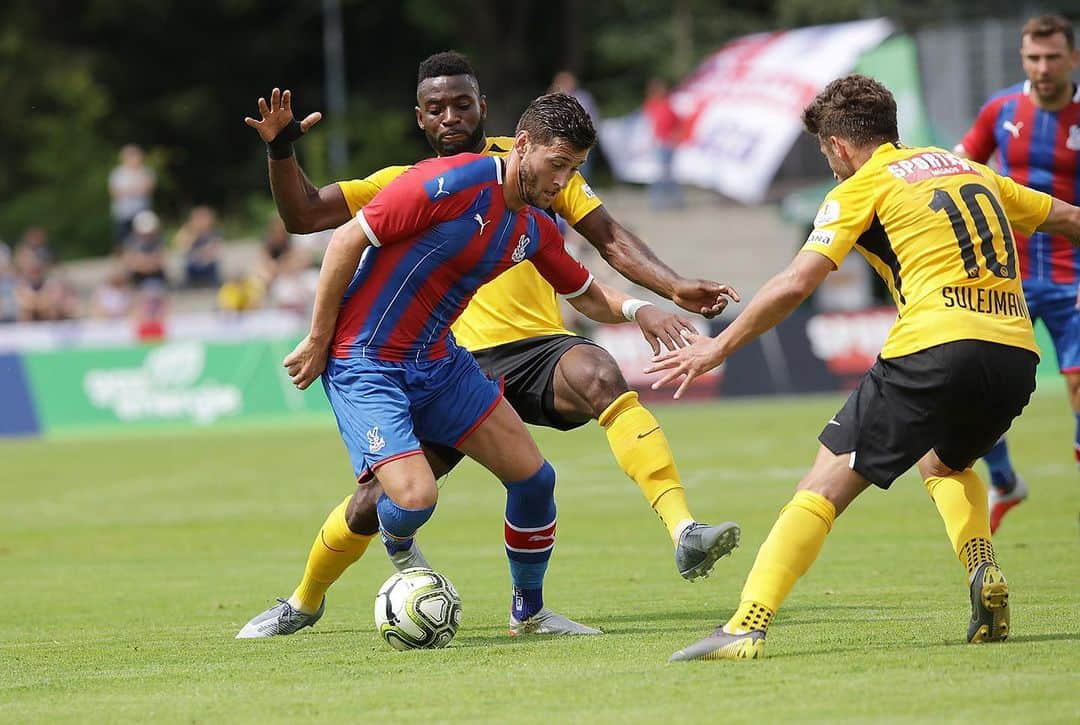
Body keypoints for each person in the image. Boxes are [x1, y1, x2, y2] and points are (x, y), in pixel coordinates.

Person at [236, 52, 741, 637]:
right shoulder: (434, 180)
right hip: (369, 359)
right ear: (522, 146)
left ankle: (530, 613)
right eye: (557, 166)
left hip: (444, 363)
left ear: (486, 110)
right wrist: (320, 337)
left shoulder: (535, 222)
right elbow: (340, 237)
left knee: (535, 478)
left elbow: (586, 289)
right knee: (403, 500)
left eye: (572, 170)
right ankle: (309, 601)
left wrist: (643, 306)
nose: (562, 181)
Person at [649, 74, 1080, 661]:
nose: (831, 165)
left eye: (827, 152)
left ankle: (745, 624)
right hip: (1013, 354)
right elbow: (1067, 219)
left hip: (934, 344)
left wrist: (719, 347)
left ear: (839, 146)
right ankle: (983, 569)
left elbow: (799, 279)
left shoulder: (862, 186)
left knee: (823, 483)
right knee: (945, 462)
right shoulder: (967, 169)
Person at [954, 14, 1080, 532]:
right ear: (1023, 59)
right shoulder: (1001, 109)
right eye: (1034, 58)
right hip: (1008, 275)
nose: (1043, 67)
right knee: (974, 385)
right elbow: (961, 165)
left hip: (1074, 277)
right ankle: (1004, 480)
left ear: (1072, 57)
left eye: (1053, 57)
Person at [550, 70, 599, 179]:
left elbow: (592, 118)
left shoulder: (583, 98)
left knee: (582, 169)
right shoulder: (553, 99)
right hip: (561, 141)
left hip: (581, 139)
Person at [643, 77, 684, 210]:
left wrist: (674, 137)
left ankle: (668, 202)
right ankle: (668, 202)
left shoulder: (666, 105)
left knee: (665, 173)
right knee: (663, 174)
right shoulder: (651, 105)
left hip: (666, 144)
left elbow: (677, 123)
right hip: (657, 144)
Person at [108, 144, 156, 244]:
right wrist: (136, 190)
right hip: (123, 212)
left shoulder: (146, 172)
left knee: (145, 236)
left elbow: (148, 189)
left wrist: (127, 191)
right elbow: (114, 192)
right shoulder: (117, 173)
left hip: (142, 210)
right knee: (122, 236)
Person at [173, 205, 222, 288]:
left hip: (207, 263)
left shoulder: (213, 233)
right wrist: (194, 233)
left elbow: (214, 250)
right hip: (192, 263)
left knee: (214, 264)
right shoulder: (189, 232)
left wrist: (203, 255)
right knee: (188, 264)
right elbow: (182, 247)